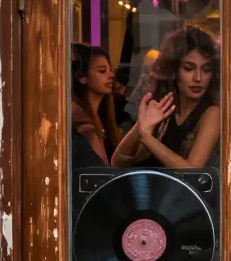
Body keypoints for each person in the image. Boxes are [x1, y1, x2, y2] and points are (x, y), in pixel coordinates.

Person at [113, 25, 220, 169]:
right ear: (174, 70)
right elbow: (118, 163)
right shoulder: (167, 109)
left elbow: (193, 173)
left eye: (206, 69)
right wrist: (141, 125)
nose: (198, 78)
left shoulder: (213, 113)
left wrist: (146, 137)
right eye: (189, 68)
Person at [71, 44, 123, 166]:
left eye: (110, 70)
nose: (111, 75)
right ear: (82, 78)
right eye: (102, 71)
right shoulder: (79, 119)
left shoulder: (104, 116)